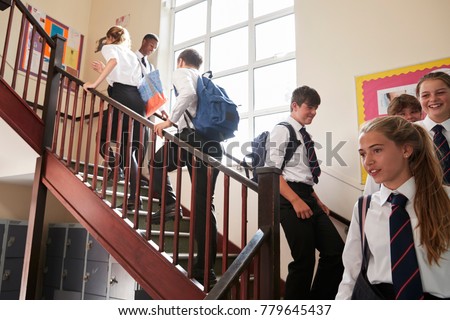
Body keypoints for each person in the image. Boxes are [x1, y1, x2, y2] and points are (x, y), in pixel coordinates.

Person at [336, 116, 450, 299]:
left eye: (377, 150)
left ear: (405, 149)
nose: (368, 162)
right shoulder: (364, 208)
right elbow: (351, 273)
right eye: (363, 154)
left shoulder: (445, 199)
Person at [149, 48, 223, 288]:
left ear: (181, 61)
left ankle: (170, 204)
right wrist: (174, 118)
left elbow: (187, 94)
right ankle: (206, 271)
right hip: (212, 145)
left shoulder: (182, 73)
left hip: (192, 140)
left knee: (156, 163)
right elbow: (192, 102)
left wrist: (169, 120)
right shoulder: (204, 80)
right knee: (204, 207)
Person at [265, 86, 344, 299]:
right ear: (295, 105)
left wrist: (317, 201)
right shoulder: (282, 129)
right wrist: (295, 200)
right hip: (288, 197)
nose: (313, 112)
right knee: (304, 260)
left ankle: (316, 303)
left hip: (306, 195)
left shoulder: (303, 134)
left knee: (336, 251)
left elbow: (303, 175)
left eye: (316, 108)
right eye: (309, 107)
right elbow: (272, 173)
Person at [83, 25, 148, 210]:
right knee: (130, 152)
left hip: (122, 98)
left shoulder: (109, 47)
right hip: (136, 101)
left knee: (102, 138)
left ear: (110, 37)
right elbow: (124, 78)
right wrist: (103, 70)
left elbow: (113, 63)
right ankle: (134, 197)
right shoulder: (131, 55)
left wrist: (94, 83)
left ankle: (117, 168)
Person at [363, 94, 423, 195]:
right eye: (402, 114)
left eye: (414, 112)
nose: (409, 117)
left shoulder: (430, 143)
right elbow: (370, 195)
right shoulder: (383, 156)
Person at [415, 71, 450, 185]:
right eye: (425, 95)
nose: (433, 99)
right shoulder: (408, 133)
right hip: (424, 200)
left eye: (440, 93)